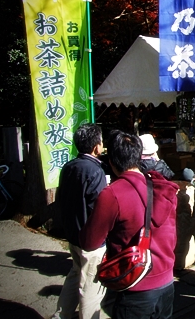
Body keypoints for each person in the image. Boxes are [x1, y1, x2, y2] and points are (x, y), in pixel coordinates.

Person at [80, 131, 178, 319]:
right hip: (166, 282)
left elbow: (89, 242)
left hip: (134, 285)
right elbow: (172, 236)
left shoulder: (112, 194)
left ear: (111, 162)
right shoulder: (162, 188)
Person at [51, 124, 107, 319]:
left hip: (72, 233)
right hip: (90, 239)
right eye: (101, 141)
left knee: (75, 275)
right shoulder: (94, 171)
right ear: (96, 147)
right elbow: (98, 208)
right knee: (90, 286)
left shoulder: (69, 166)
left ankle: (61, 314)